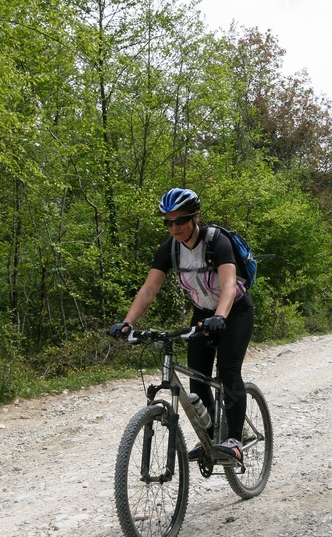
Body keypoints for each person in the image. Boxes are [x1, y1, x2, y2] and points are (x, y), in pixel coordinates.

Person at [109, 188, 254, 463]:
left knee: (228, 370)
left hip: (234, 311)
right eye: (168, 222)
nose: (174, 227)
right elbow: (149, 290)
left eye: (180, 221)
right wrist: (128, 322)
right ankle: (211, 441)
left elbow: (228, 287)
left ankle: (234, 440)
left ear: (195, 218)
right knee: (197, 376)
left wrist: (221, 317)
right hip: (203, 313)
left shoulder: (217, 242)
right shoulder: (169, 249)